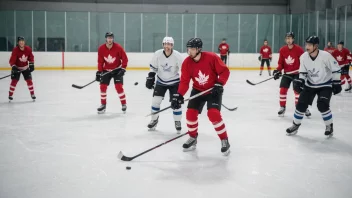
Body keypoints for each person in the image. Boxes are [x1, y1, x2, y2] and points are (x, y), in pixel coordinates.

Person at [171, 38, 231, 155]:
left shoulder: (211, 57)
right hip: (197, 90)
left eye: (192, 49)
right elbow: (184, 82)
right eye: (188, 49)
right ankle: (193, 138)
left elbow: (224, 72)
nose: (190, 51)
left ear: (199, 49)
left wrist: (220, 83)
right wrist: (179, 95)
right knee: (190, 114)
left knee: (213, 114)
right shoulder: (187, 62)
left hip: (213, 90)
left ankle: (224, 140)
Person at [286, 36, 341, 136]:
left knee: (322, 105)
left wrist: (337, 82)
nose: (307, 47)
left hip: (325, 84)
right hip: (310, 85)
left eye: (309, 45)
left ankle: (329, 126)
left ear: (316, 46)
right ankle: (295, 125)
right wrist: (300, 81)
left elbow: (336, 69)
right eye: (306, 44)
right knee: (301, 105)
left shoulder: (326, 56)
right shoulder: (303, 57)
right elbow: (303, 72)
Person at [145, 37, 184, 133]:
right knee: (155, 101)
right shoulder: (158, 54)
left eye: (169, 44)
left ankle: (177, 121)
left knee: (176, 104)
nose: (167, 46)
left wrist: (183, 83)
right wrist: (151, 77)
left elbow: (184, 70)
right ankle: (154, 119)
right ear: (163, 45)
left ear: (172, 45)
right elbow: (153, 67)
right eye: (165, 44)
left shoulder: (177, 56)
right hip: (161, 82)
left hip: (174, 82)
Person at [272, 32, 310, 116]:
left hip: (297, 73)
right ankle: (282, 107)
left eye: (290, 38)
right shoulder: (282, 50)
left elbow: (304, 62)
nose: (288, 40)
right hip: (287, 74)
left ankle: (301, 107)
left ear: (293, 39)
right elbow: (281, 63)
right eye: (287, 38)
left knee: (298, 91)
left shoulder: (299, 49)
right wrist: (277, 71)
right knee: (283, 89)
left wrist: (304, 73)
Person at [96, 32, 128, 114]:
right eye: (108, 38)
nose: (110, 39)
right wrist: (99, 72)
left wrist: (123, 69)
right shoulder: (101, 48)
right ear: (106, 39)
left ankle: (123, 104)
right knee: (102, 87)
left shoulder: (118, 47)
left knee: (119, 87)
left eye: (111, 38)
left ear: (113, 39)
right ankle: (103, 105)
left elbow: (125, 59)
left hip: (117, 70)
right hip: (106, 70)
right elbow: (100, 61)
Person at [8, 36, 36, 101]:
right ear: (18, 43)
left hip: (25, 68)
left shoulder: (28, 49)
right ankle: (10, 95)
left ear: (24, 42)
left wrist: (31, 64)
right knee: (14, 81)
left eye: (22, 41)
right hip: (17, 67)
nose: (21, 43)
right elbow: (12, 60)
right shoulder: (15, 50)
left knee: (29, 81)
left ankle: (32, 94)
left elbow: (31, 57)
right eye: (20, 41)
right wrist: (14, 67)